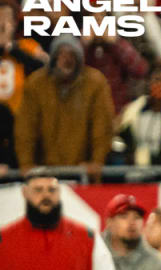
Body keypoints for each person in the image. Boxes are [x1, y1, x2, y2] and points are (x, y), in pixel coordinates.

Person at [14, 35, 114, 177]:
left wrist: (97, 162)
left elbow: (102, 127)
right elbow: (25, 129)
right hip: (44, 173)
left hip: (84, 172)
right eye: (61, 54)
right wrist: (27, 165)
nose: (66, 59)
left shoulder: (94, 83)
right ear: (53, 58)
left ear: (79, 59)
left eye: (72, 54)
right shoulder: (36, 84)